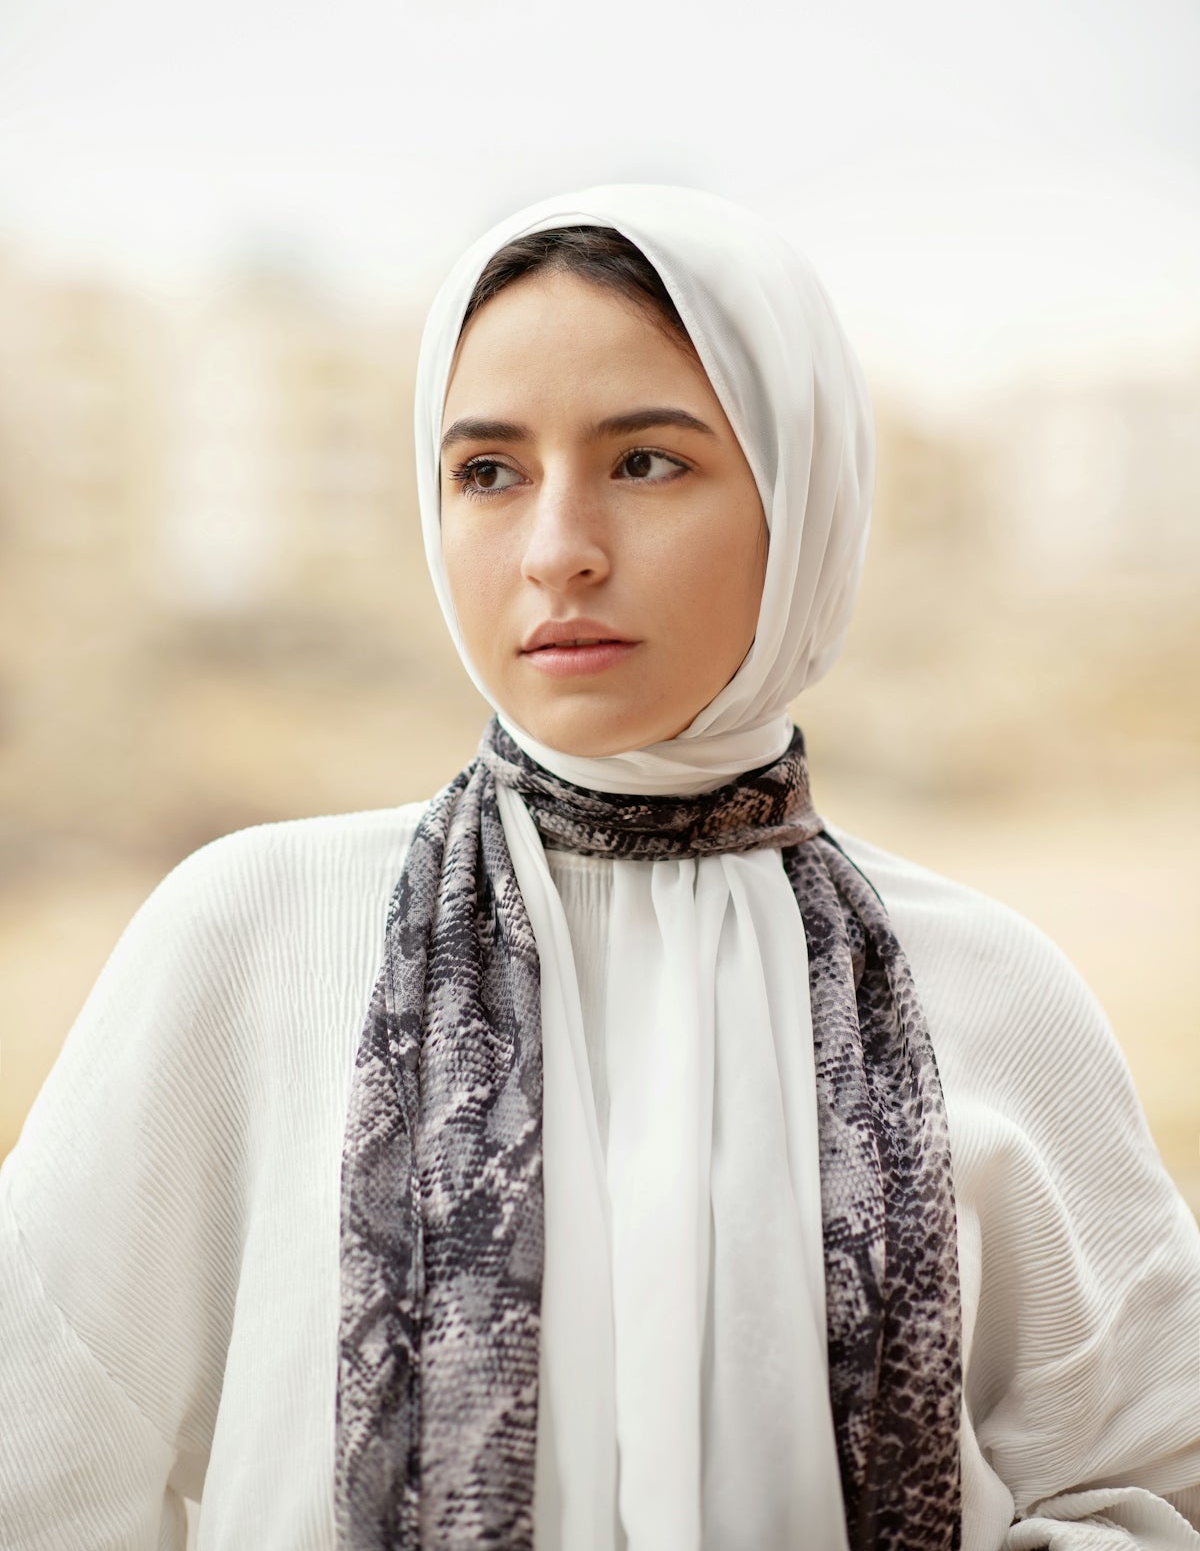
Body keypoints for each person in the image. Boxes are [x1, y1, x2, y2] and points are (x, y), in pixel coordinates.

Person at [1, 184, 1197, 1551]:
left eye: (645, 462)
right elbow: (39, 1453)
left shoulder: (989, 987)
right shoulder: (253, 936)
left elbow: (1148, 1486)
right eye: (488, 473)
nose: (557, 551)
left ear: (802, 498)